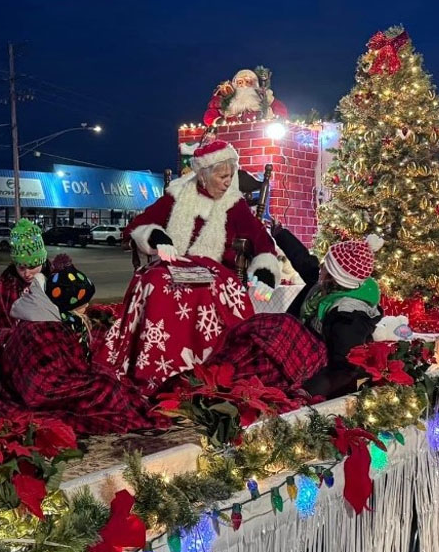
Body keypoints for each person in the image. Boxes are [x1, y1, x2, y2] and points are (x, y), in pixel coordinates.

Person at [96, 140, 282, 394]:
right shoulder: (177, 196)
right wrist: (155, 236)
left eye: (231, 176)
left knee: (187, 292)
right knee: (152, 282)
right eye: (222, 176)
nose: (228, 182)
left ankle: (191, 367)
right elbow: (138, 225)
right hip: (174, 265)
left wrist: (264, 270)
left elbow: (261, 239)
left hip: (215, 272)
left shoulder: (234, 204)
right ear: (203, 176)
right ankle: (153, 366)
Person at [0, 257, 168, 435]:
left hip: (34, 382)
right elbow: (51, 377)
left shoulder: (51, 318)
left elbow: (73, 360)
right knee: (106, 387)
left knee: (111, 380)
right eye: (82, 304)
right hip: (38, 389)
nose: (86, 306)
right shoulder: (45, 327)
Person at [284, 233, 386, 399]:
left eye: (325, 265)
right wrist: (281, 234)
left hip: (316, 376)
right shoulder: (325, 287)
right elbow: (306, 264)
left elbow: (346, 367)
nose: (321, 267)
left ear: (334, 276)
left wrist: (307, 393)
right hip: (300, 354)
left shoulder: (347, 316)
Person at [0, 219, 50, 332]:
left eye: (32, 267)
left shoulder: (57, 280)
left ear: (42, 262)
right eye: (21, 268)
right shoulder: (4, 284)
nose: (27, 274)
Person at [202, 68, 289, 127]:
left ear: (254, 84)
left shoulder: (264, 97)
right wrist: (217, 121)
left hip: (262, 134)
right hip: (231, 136)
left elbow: (280, 110)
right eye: (240, 82)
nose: (243, 85)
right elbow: (210, 114)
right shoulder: (228, 100)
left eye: (247, 81)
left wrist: (277, 121)